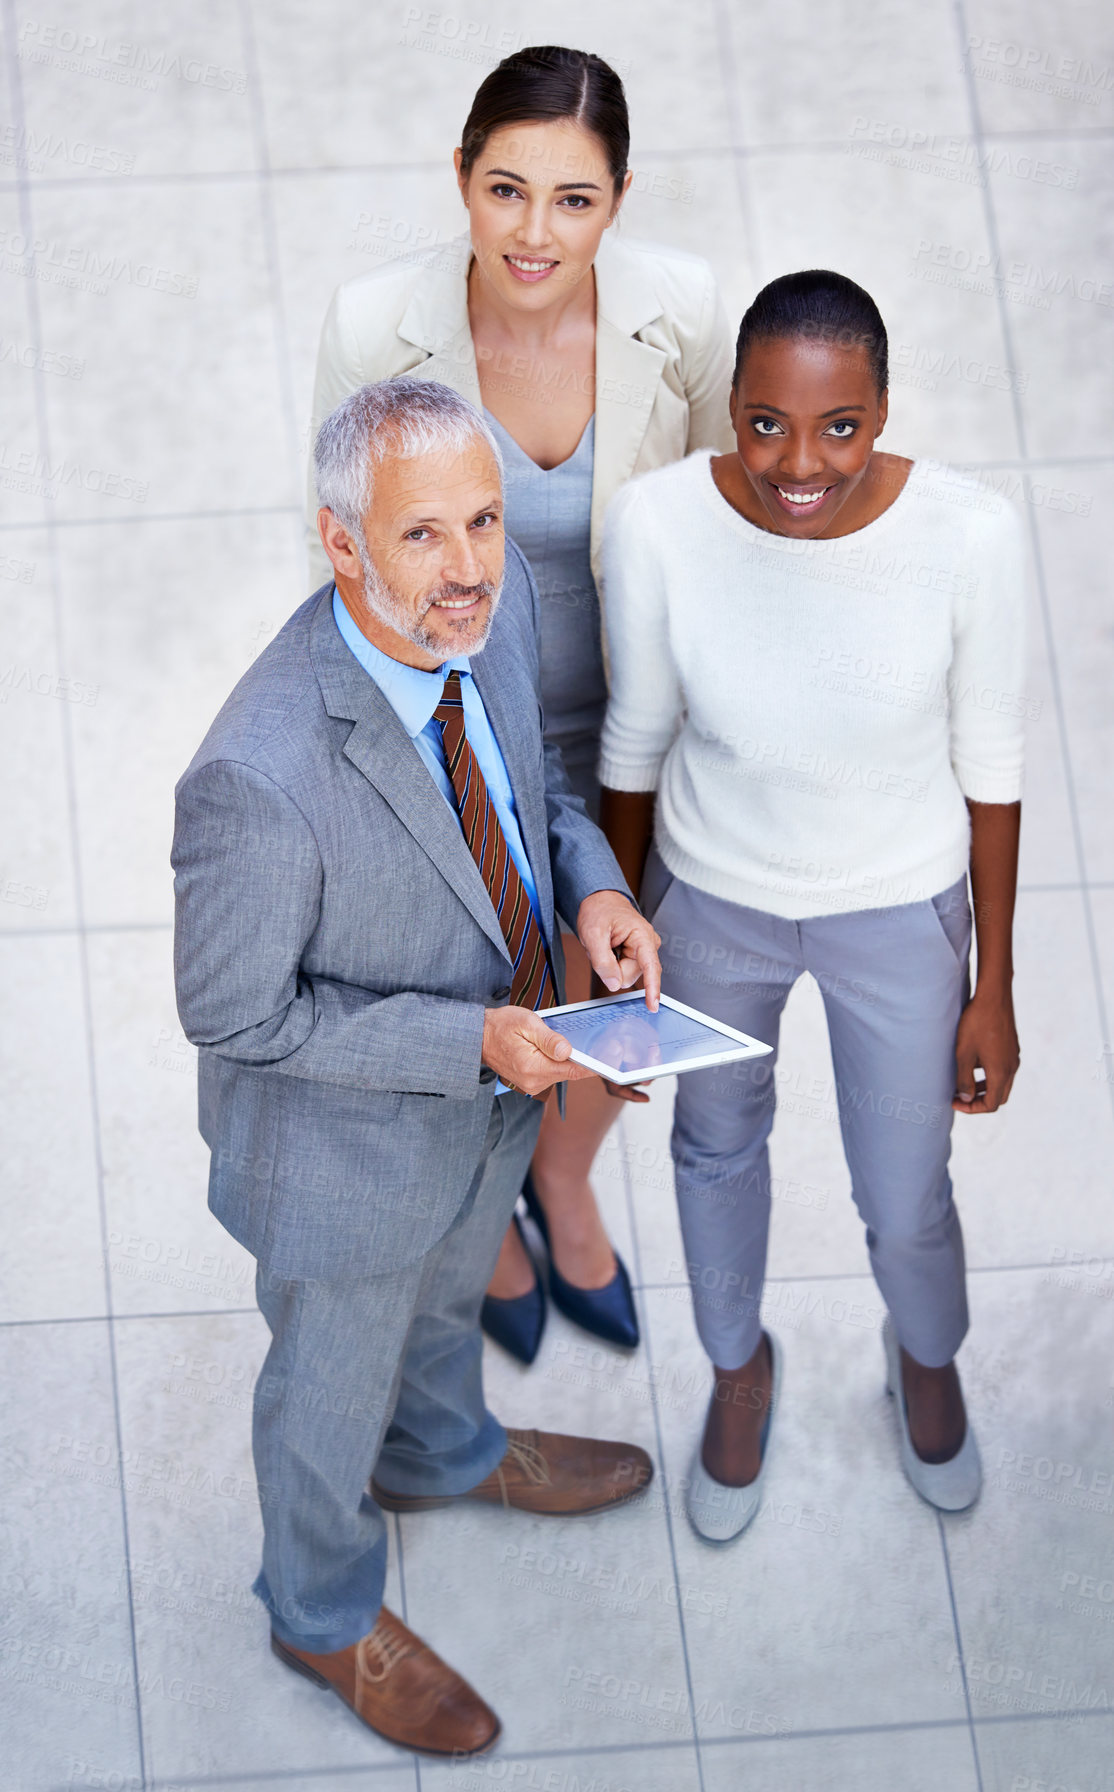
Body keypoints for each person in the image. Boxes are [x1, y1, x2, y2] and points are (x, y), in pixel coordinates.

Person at [172, 379, 662, 1756]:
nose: (465, 571)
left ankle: (441, 1454)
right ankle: (320, 1610)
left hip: (488, 1106)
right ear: (340, 543)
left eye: (485, 524)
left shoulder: (489, 631)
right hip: (345, 1163)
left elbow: (540, 799)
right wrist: (470, 1042)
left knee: (447, 1306)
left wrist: (596, 896)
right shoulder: (256, 777)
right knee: (327, 1392)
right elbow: (233, 1016)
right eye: (422, 537)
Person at [307, 44, 736, 1363]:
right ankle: (492, 1204)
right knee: (469, 979)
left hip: (630, 717)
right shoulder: (378, 325)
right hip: (453, 714)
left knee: (644, 974)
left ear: (617, 198)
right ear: (459, 176)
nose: (533, 233)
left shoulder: (685, 309)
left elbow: (725, 519)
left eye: (572, 199)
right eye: (503, 190)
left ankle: (562, 1175)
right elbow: (347, 543)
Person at [597, 271, 1026, 1542]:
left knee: (905, 1190)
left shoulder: (970, 535)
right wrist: (613, 952)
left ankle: (927, 1356)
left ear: (883, 410)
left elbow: (989, 763)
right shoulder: (658, 521)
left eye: (839, 426)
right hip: (711, 898)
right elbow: (636, 735)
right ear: (728, 405)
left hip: (897, 907)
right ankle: (739, 1368)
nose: (799, 462)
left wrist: (990, 983)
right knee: (712, 1149)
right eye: (766, 421)